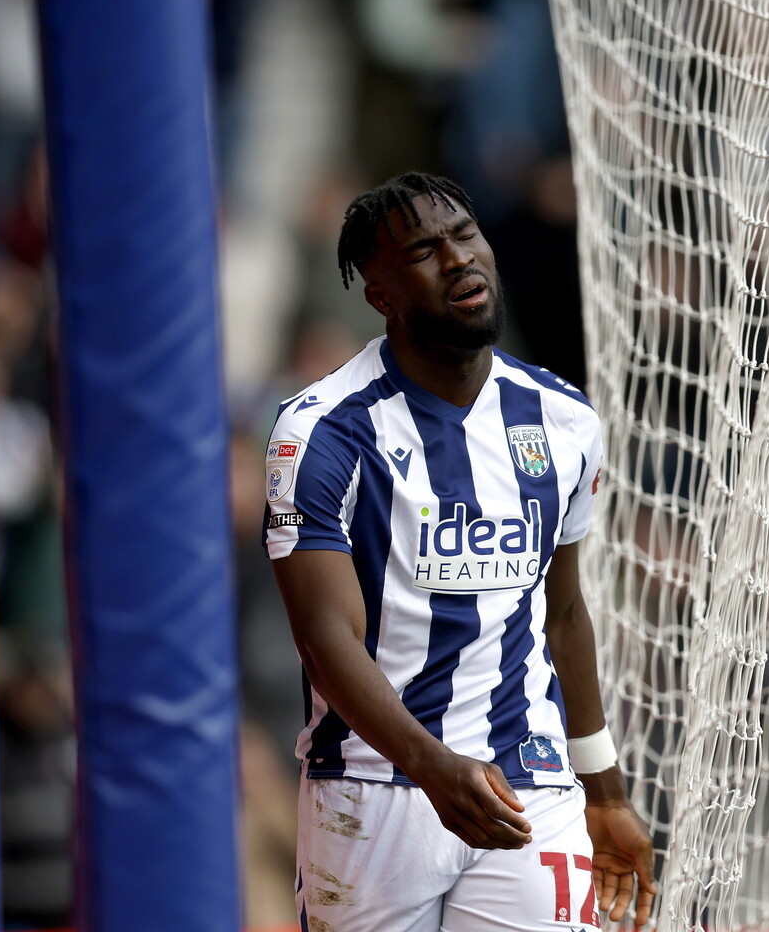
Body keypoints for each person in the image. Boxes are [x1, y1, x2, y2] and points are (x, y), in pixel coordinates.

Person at [263, 171, 657, 931]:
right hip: (373, 788)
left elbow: (563, 614)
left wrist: (603, 790)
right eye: (423, 251)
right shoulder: (320, 431)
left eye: (464, 236)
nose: (457, 260)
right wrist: (430, 766)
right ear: (381, 296)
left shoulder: (565, 421)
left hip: (528, 784)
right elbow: (324, 636)